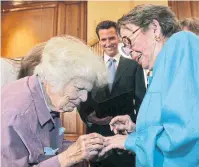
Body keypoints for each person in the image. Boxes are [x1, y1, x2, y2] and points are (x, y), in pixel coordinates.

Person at [99, 4, 199, 167]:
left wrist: (130, 141)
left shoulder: (182, 42)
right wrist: (136, 129)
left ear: (154, 28)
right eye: (125, 46)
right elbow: (171, 128)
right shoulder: (160, 68)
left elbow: (186, 136)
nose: (129, 52)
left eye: (128, 41)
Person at [1, 35, 108, 167]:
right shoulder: (16, 113)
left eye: (87, 91)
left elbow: (50, 148)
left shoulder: (50, 98)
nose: (84, 98)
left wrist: (85, 149)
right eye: (79, 88)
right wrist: (66, 158)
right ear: (55, 78)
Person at [79, 20, 146, 167]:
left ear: (118, 38)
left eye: (111, 38)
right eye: (103, 39)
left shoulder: (133, 65)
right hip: (97, 136)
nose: (108, 43)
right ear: (99, 41)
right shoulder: (90, 68)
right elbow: (82, 100)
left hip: (124, 136)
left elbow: (141, 102)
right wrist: (90, 119)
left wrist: (136, 128)